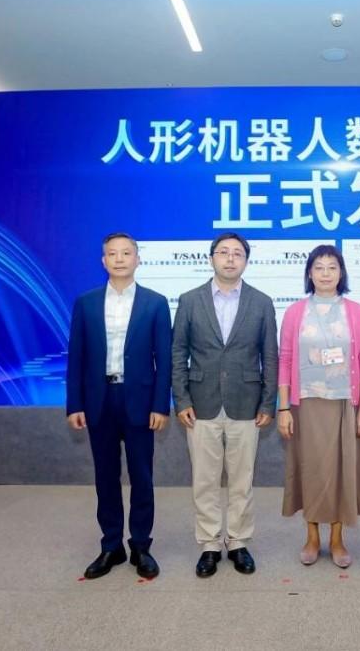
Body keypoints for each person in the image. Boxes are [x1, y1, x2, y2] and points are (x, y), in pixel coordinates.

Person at [172, 232, 278, 578]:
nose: (230, 258)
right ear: (211, 258)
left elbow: (270, 356)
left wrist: (268, 402)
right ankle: (209, 544)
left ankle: (238, 542)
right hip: (200, 403)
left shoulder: (261, 302)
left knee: (241, 479)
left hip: (246, 402)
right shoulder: (190, 300)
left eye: (237, 254)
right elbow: (178, 353)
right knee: (204, 479)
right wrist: (181, 398)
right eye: (223, 252)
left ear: (246, 261)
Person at [66, 232, 172, 580]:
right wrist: (74, 403)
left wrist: (161, 405)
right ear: (103, 261)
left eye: (127, 253)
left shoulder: (155, 303)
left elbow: (165, 361)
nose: (120, 259)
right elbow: (76, 357)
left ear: (138, 259)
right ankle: (111, 545)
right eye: (113, 254)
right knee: (105, 476)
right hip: (99, 400)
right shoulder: (86, 303)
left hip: (140, 400)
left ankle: (141, 545)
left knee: (142, 476)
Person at [277, 245, 360, 568]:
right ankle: (311, 537)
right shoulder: (295, 312)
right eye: (318, 267)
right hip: (305, 404)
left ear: (341, 273)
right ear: (309, 273)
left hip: (345, 403)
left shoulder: (356, 311)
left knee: (341, 472)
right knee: (310, 470)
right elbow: (285, 360)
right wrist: (283, 408)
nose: (325, 273)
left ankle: (336, 539)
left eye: (332, 267)